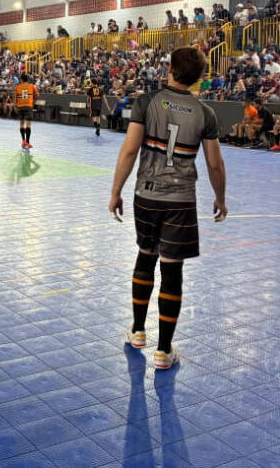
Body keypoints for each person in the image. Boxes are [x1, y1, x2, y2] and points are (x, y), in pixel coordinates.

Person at [108, 46, 227, 371]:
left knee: (145, 256)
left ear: (169, 69)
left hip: (146, 196)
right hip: (180, 201)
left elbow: (130, 151)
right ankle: (163, 351)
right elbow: (215, 164)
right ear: (200, 78)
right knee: (172, 270)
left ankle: (136, 332)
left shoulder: (146, 103)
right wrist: (220, 197)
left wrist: (116, 191)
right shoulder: (205, 113)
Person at [14, 73, 37, 150]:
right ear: (27, 79)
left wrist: (15, 106)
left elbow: (14, 97)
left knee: (22, 123)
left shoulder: (17, 87)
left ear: (21, 79)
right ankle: (27, 142)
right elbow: (37, 95)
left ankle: (23, 141)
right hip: (28, 106)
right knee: (28, 124)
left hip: (20, 106)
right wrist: (33, 102)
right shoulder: (31, 86)